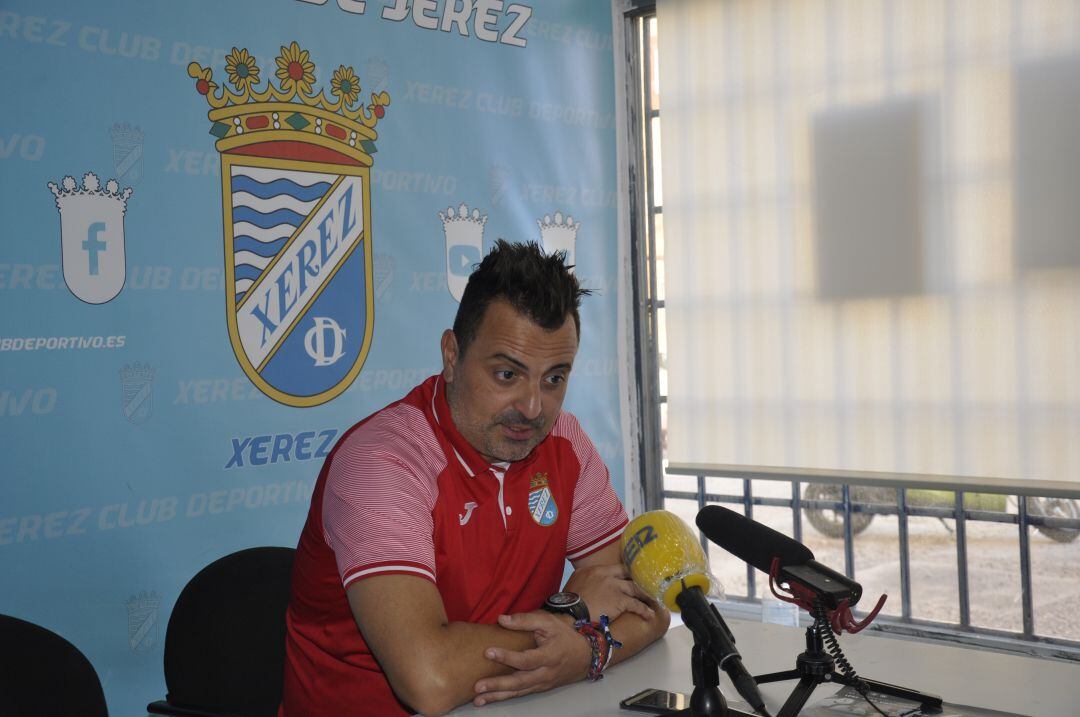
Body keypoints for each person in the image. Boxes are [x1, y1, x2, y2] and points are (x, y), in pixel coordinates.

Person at [281, 240, 670, 716]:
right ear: (451, 355)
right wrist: (573, 616)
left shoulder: (563, 441)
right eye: (507, 374)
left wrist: (586, 651)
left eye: (554, 379)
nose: (533, 408)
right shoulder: (381, 464)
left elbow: (646, 606)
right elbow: (431, 679)